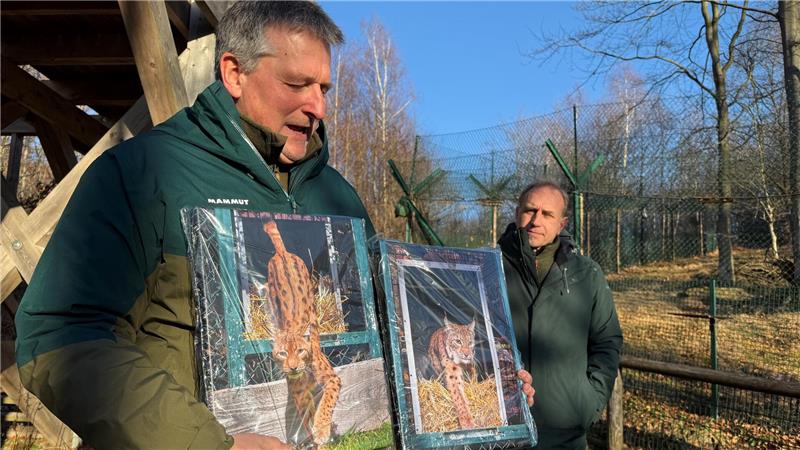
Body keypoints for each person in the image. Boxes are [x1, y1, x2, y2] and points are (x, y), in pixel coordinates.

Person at [15, 2, 534, 449]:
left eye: (325, 88)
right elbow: (58, 336)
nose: (318, 107)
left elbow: (391, 337)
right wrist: (207, 442)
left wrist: (489, 389)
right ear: (234, 72)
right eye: (297, 84)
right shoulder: (143, 174)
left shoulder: (339, 197)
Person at [498, 181, 622, 449]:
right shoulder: (488, 267)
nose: (536, 221)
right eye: (530, 211)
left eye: (547, 214)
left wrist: (589, 402)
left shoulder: (586, 274)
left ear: (562, 224)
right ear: (517, 212)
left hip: (566, 433)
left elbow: (606, 340)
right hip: (500, 429)